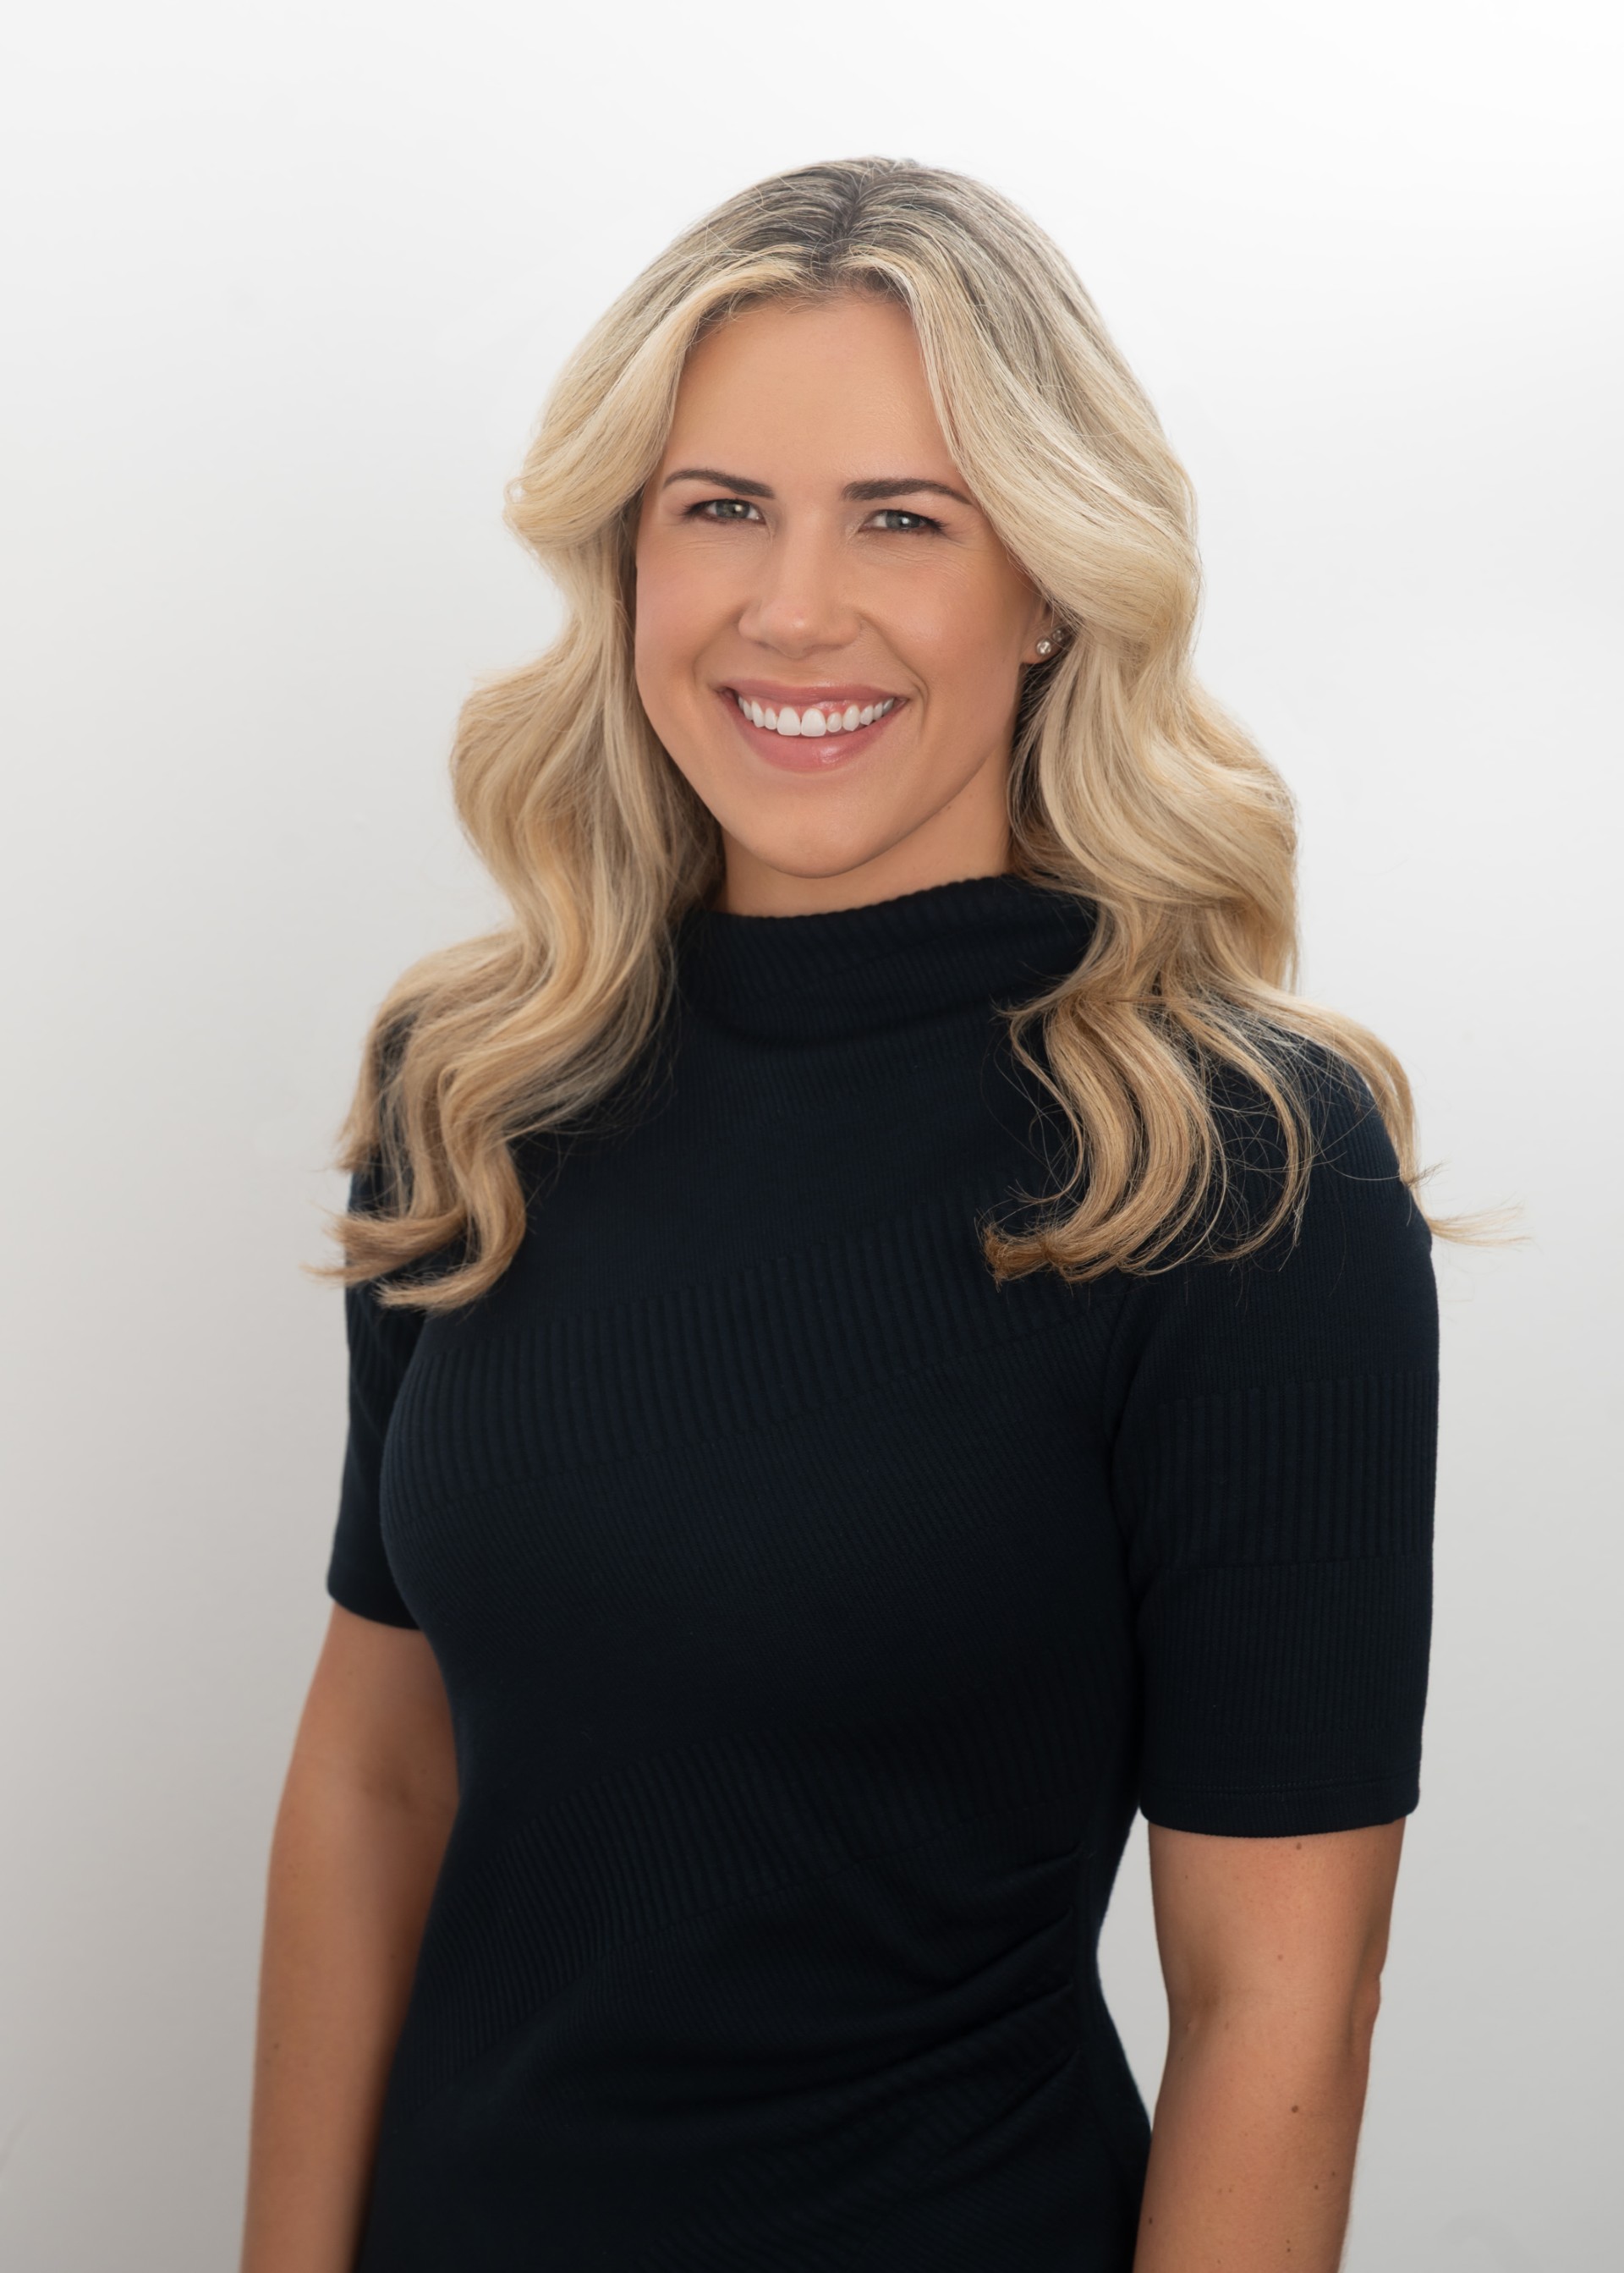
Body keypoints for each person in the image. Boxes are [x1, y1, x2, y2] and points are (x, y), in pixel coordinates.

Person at [240, 157, 1443, 2273]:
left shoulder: (1236, 1168)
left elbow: (1283, 1995)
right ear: (628, 555)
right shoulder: (480, 1087)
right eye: (721, 507)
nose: (793, 611)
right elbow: (376, 1779)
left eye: (905, 518)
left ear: (1050, 583)